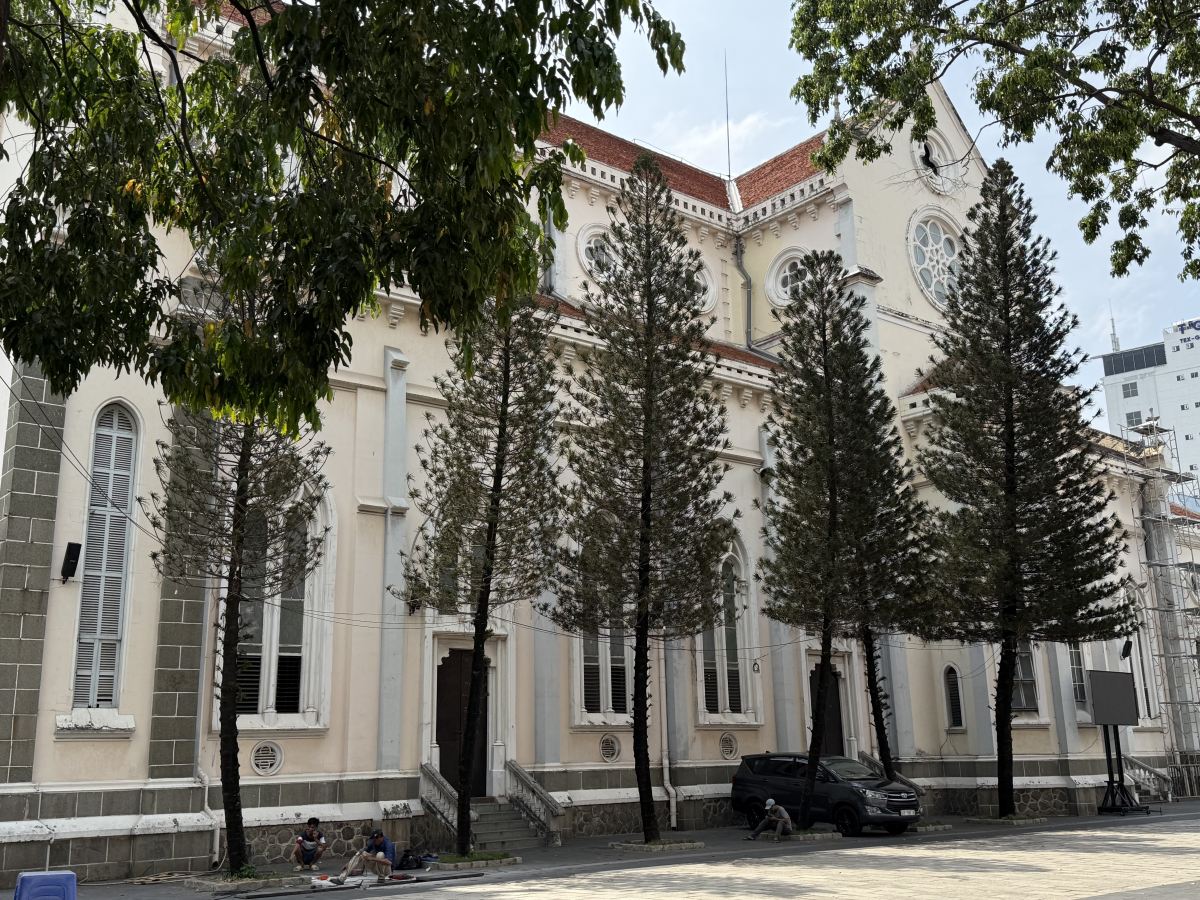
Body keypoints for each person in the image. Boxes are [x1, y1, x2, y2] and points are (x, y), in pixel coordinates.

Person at [331, 829, 397, 885]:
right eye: (373, 839)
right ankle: (341, 879)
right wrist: (348, 864)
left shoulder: (388, 844)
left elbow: (389, 862)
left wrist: (371, 858)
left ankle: (381, 877)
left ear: (380, 838)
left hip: (386, 870)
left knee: (380, 854)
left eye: (375, 840)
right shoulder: (374, 842)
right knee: (362, 853)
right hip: (377, 868)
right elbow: (362, 851)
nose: (374, 841)